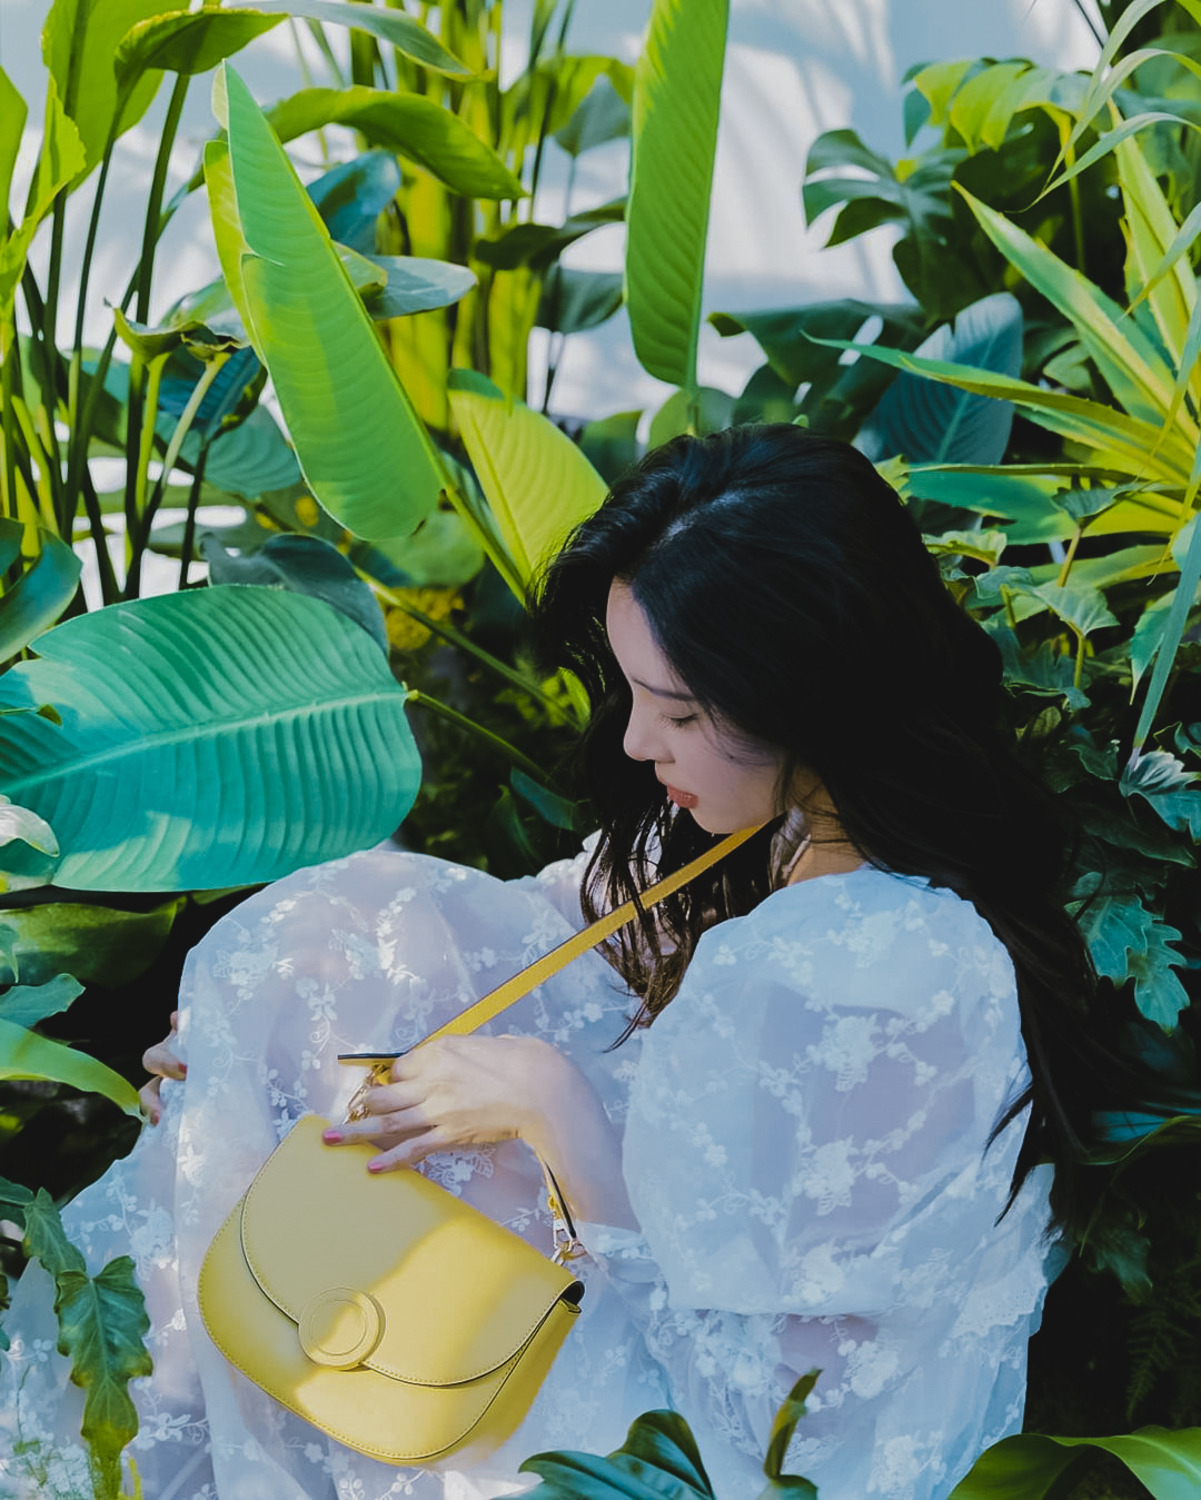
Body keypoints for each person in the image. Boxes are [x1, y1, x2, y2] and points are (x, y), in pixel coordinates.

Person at [0, 426, 1104, 1500]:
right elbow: (521, 934)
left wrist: (555, 1112)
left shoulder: (879, 974)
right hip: (641, 1327)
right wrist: (247, 1043)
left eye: (679, 711)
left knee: (332, 1179)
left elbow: (786, 1418)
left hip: (701, 1447)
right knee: (326, 1005)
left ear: (806, 697)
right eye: (632, 693)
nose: (634, 742)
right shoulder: (766, 837)